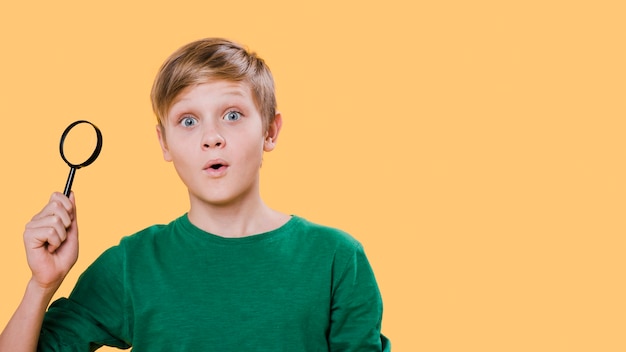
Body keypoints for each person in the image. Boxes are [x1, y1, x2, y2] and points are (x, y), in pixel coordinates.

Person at [0, 37, 390, 351]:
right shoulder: (132, 264)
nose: (211, 138)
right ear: (164, 143)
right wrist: (42, 286)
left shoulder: (337, 259)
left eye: (232, 115)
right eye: (188, 121)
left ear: (270, 131)